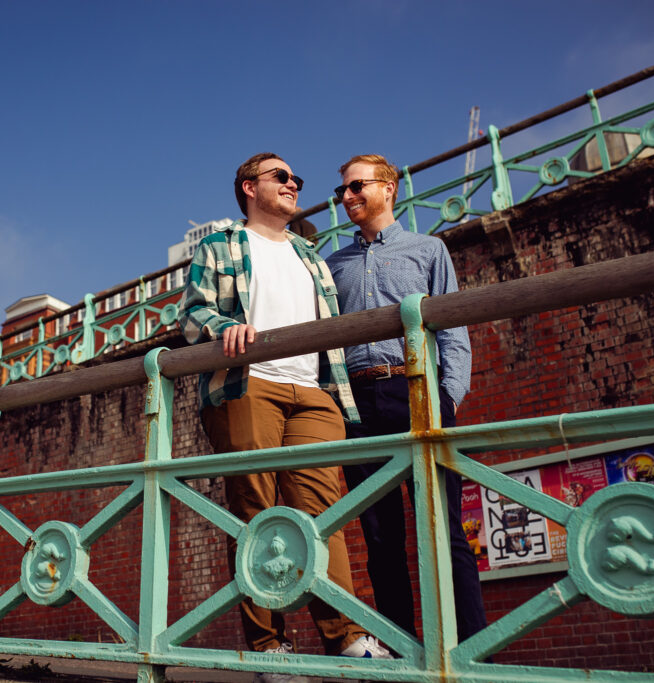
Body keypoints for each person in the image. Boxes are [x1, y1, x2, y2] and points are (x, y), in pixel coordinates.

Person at [179, 153, 390, 681]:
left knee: (325, 518)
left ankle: (345, 638)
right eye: (282, 177)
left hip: (315, 392)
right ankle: (268, 646)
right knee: (256, 513)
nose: (294, 183)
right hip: (249, 384)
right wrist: (221, 326)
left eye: (296, 178)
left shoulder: (310, 253)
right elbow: (192, 313)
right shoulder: (222, 245)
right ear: (250, 188)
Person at [324, 154, 488, 646]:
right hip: (357, 403)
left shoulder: (429, 250)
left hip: (417, 391)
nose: (348, 197)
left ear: (389, 187)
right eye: (343, 192)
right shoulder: (333, 266)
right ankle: (401, 651)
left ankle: (472, 648)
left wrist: (448, 397)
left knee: (444, 529)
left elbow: (454, 332)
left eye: (357, 187)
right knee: (380, 539)